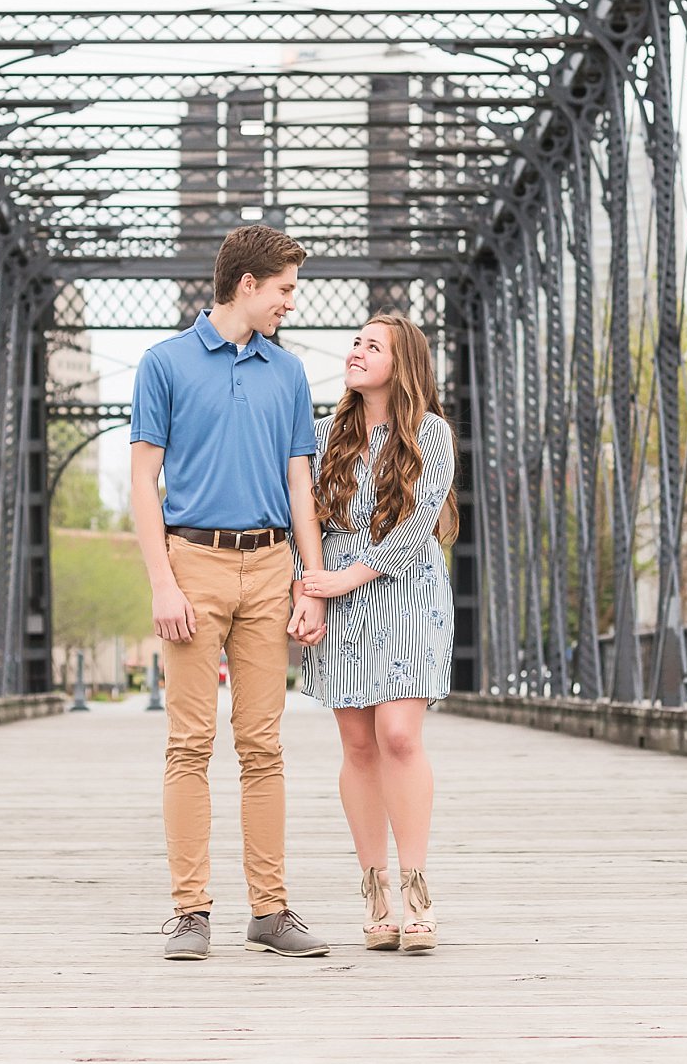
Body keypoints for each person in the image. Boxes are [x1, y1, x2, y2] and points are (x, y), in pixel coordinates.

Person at [130, 225, 333, 962]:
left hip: (272, 565)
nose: (290, 303)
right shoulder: (164, 364)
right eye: (284, 290)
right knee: (189, 744)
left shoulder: (289, 373)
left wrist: (311, 583)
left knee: (263, 745)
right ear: (247, 284)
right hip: (193, 563)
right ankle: (190, 911)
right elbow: (142, 482)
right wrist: (162, 581)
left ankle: (270, 911)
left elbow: (300, 486)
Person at [293, 313, 456, 954]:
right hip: (338, 601)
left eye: (372, 346)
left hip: (406, 590)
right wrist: (310, 588)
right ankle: (376, 891)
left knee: (399, 736)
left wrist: (344, 578)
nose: (356, 352)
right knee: (359, 746)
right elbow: (300, 516)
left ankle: (417, 891)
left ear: (402, 363)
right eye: (355, 343)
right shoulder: (323, 437)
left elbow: (416, 525)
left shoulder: (430, 434)